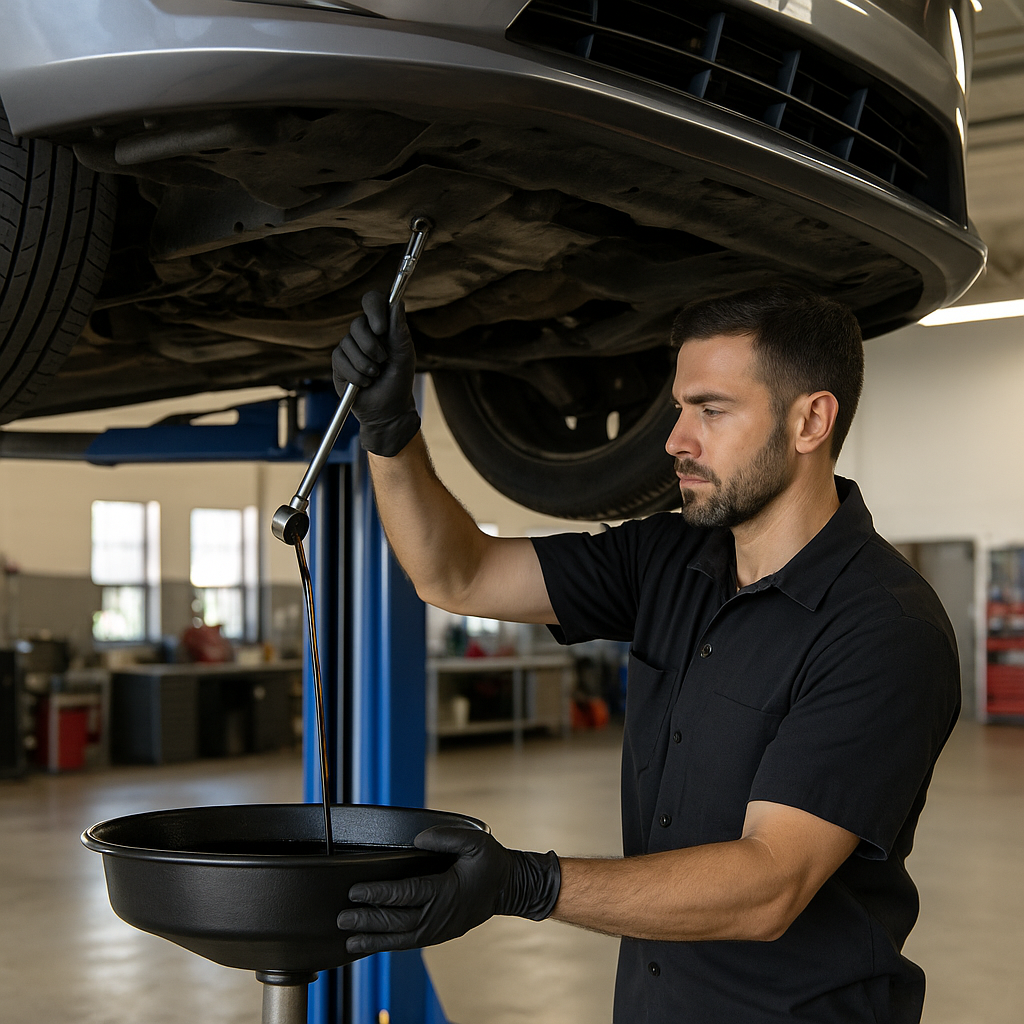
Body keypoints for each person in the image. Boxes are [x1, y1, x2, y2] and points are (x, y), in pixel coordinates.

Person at [332, 285, 960, 1024]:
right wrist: (391, 428)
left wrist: (526, 884)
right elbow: (457, 573)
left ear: (810, 420)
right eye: (679, 408)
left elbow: (770, 882)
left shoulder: (883, 628)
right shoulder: (670, 556)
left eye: (711, 410)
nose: (675, 440)